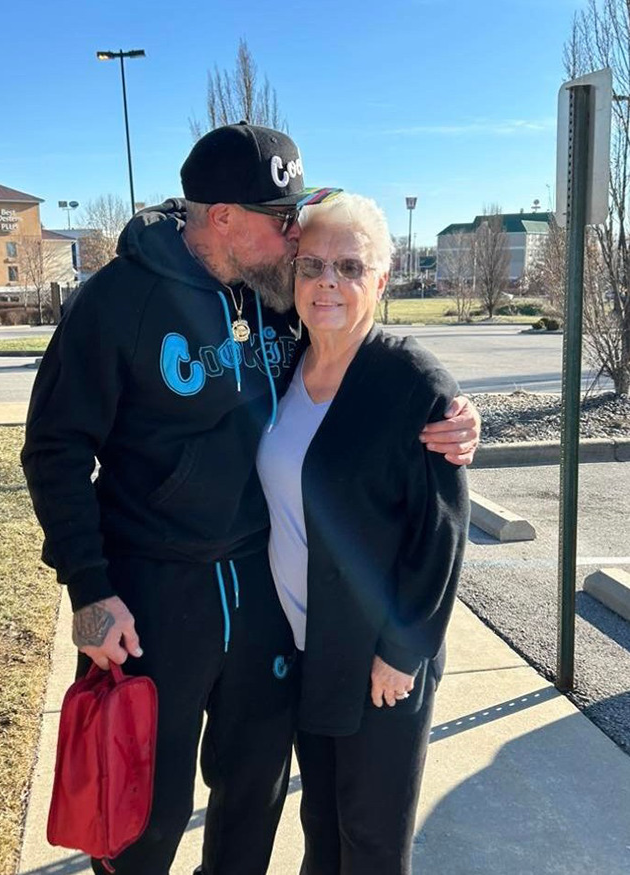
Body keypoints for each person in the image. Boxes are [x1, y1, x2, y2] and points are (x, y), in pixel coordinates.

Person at [22, 123, 479, 875]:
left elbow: (360, 359)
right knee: (145, 812)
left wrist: (457, 419)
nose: (295, 234)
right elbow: (54, 450)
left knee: (255, 796)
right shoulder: (115, 303)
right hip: (155, 599)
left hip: (261, 596)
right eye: (281, 217)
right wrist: (90, 590)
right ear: (224, 218)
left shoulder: (273, 299)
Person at [256, 193, 471, 875]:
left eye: (350, 266)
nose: (328, 283)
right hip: (308, 649)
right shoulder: (285, 365)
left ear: (382, 277)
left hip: (380, 663)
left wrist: (402, 652)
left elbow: (442, 534)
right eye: (313, 265)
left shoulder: (414, 383)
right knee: (321, 826)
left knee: (372, 844)